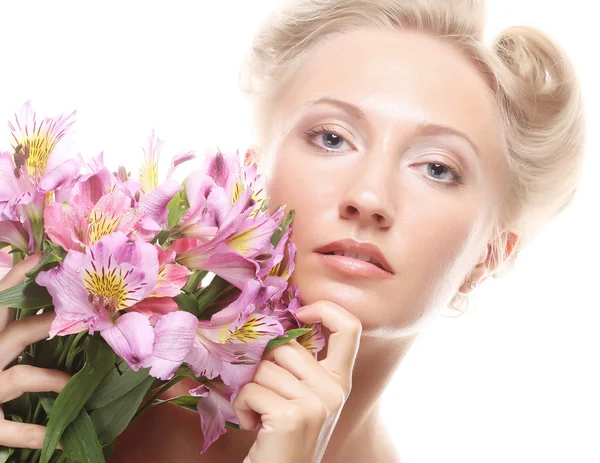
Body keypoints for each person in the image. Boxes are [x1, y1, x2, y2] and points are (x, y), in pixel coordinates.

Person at [0, 0, 585, 461]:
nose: (369, 198)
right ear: (253, 169)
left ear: (491, 254)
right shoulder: (59, 358)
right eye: (332, 137)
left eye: (438, 168)